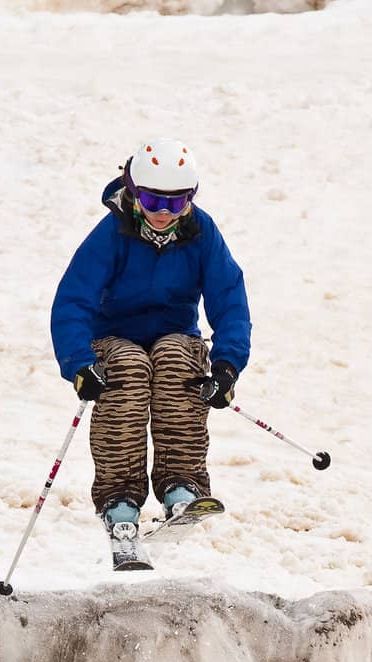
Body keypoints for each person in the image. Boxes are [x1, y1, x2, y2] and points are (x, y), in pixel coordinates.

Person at [50, 136, 252, 571]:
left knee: (178, 358)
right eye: (150, 199)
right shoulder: (112, 233)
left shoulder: (202, 234)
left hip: (174, 333)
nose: (162, 213)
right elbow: (73, 300)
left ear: (190, 200)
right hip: (113, 337)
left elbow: (230, 300)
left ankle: (181, 489)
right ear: (132, 190)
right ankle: (120, 505)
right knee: (127, 367)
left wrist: (227, 365)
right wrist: (78, 364)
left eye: (175, 204)